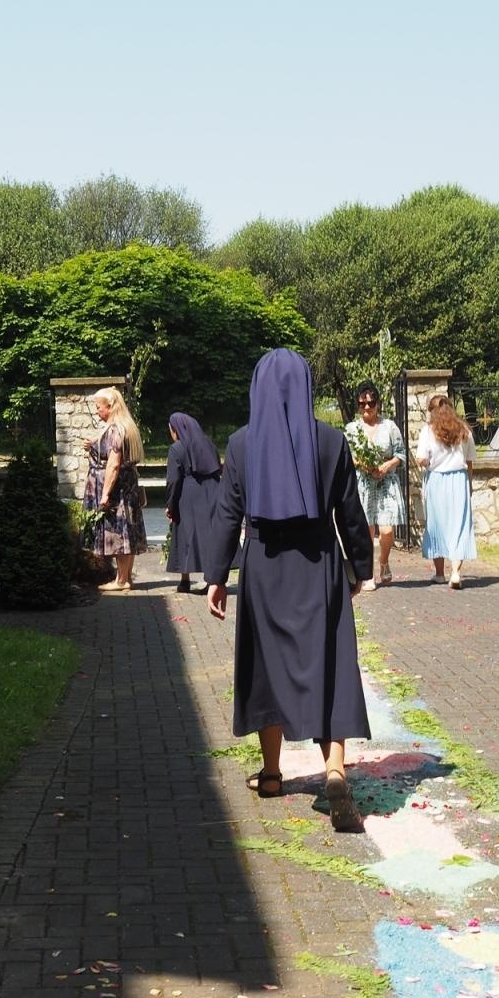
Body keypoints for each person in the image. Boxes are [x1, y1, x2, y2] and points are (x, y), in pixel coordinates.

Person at [204, 349, 372, 833]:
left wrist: (216, 576)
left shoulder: (239, 444)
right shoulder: (332, 442)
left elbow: (225, 515)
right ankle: (335, 769)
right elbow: (351, 514)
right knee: (330, 667)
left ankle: (273, 774)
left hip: (263, 570)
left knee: (265, 669)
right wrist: (358, 567)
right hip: (319, 567)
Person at [81, 387, 147, 591]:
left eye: (98, 407)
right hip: (128, 486)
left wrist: (105, 494)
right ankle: (125, 578)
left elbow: (114, 463)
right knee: (129, 530)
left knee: (120, 533)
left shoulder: (115, 429)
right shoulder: (126, 426)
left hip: (117, 490)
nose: (97, 411)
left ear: (109, 407)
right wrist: (94, 445)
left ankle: (120, 580)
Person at [345, 382, 406, 590]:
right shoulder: (352, 430)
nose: (367, 408)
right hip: (364, 482)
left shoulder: (389, 427)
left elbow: (401, 454)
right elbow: (348, 457)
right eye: (362, 404)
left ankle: (384, 561)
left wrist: (387, 465)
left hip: (386, 483)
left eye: (370, 403)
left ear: (377, 404)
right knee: (367, 531)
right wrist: (365, 465)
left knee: (387, 530)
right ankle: (368, 573)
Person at [415, 394, 476, 589]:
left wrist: (427, 461)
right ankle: (456, 572)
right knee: (459, 524)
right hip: (459, 479)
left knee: (437, 525)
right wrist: (470, 483)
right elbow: (469, 461)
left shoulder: (428, 431)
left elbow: (421, 458)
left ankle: (440, 573)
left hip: (437, 480)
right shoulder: (464, 430)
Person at [164, 411, 226, 592]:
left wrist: (170, 505)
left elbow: (173, 480)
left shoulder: (177, 449)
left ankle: (185, 580)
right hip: (212, 492)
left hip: (188, 495)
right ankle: (211, 581)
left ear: (176, 429)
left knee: (185, 535)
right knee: (209, 536)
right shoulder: (208, 445)